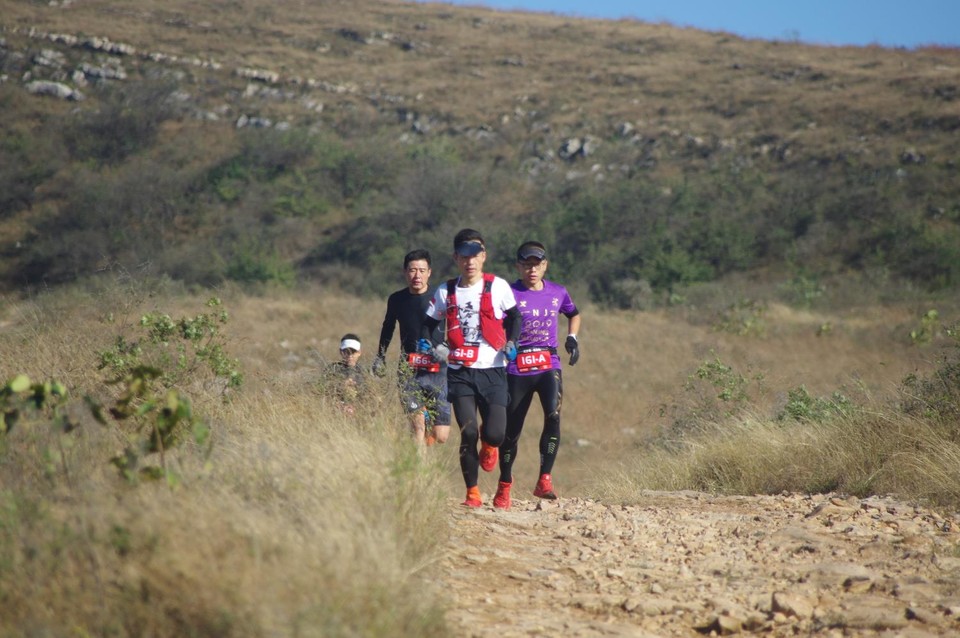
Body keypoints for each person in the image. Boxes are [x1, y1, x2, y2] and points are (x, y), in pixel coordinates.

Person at [420, 228, 522, 507]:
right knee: (468, 432)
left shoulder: (498, 286)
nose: (470, 262)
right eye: (464, 256)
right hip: (460, 372)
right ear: (456, 258)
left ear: (483, 256)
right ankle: (472, 493)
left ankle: (490, 445)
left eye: (475, 256)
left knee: (495, 433)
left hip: (493, 369)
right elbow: (428, 325)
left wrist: (512, 341)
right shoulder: (446, 290)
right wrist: (434, 346)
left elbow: (515, 317)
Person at [493, 241, 581, 510]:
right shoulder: (508, 292)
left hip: (548, 362)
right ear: (518, 266)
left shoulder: (558, 292)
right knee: (512, 431)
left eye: (537, 265)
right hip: (517, 367)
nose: (532, 270)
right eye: (527, 265)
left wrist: (572, 338)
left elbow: (573, 313)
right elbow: (493, 322)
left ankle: (545, 479)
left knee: (553, 415)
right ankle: (504, 484)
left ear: (545, 266)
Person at [373, 249, 451, 446]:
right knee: (417, 427)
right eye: (412, 270)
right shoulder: (397, 299)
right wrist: (380, 357)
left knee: (441, 436)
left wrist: (447, 347)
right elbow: (388, 327)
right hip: (408, 368)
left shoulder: (440, 297)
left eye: (422, 270)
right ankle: (418, 468)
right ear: (405, 272)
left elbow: (456, 327)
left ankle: (428, 424)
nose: (417, 275)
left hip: (437, 369)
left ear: (429, 272)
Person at [323, 333, 367, 416]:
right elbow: (322, 390)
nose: (350, 355)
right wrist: (340, 385)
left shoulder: (364, 372)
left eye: (353, 352)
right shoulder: (332, 369)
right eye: (346, 352)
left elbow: (369, 394)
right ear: (341, 352)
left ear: (359, 352)